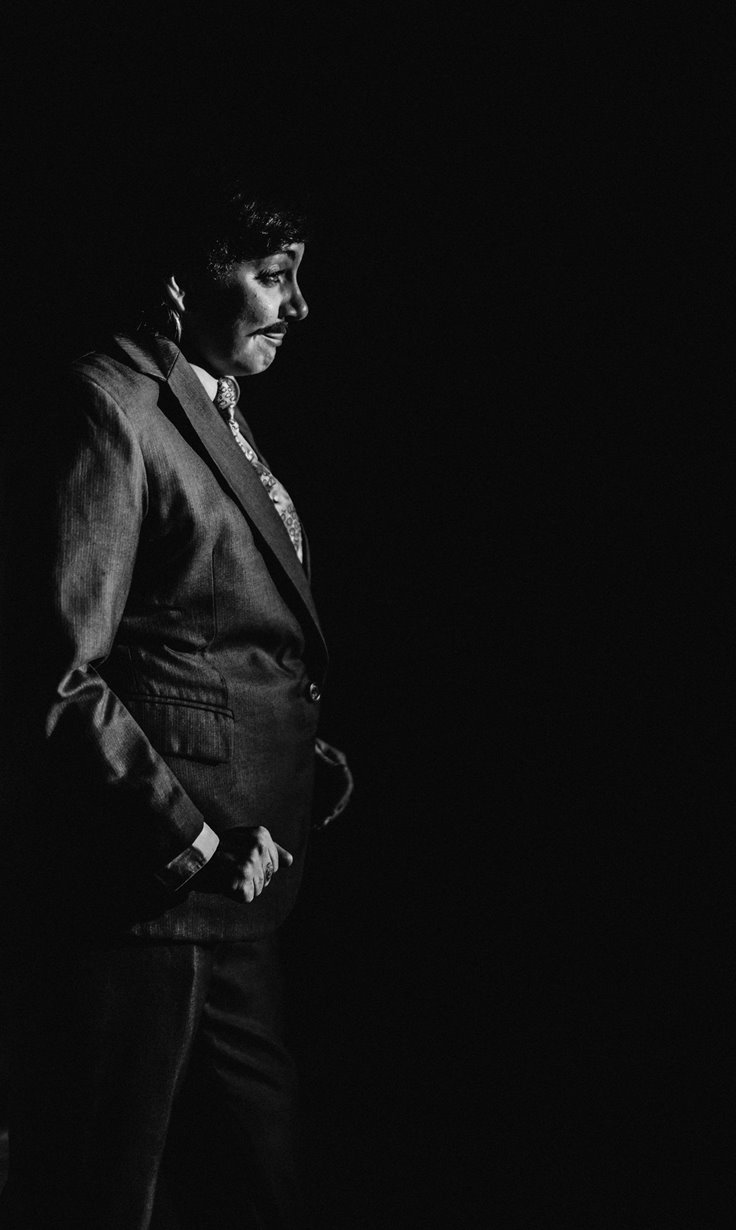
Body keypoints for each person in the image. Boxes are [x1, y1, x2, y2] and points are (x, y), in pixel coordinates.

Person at [0, 172, 352, 1228]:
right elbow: (57, 677)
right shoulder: (110, 407)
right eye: (272, 278)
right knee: (101, 1193)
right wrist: (191, 837)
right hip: (152, 897)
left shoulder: (209, 405)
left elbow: (206, 635)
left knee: (260, 1187)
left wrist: (297, 752)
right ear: (182, 281)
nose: (298, 308)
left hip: (238, 896)